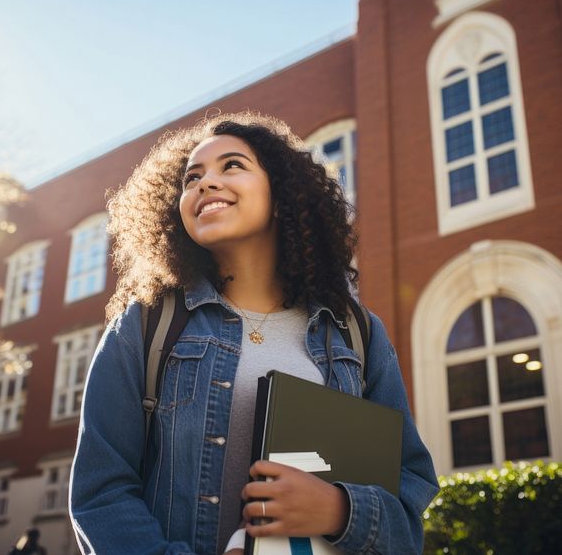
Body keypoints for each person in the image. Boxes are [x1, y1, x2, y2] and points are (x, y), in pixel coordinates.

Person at [68, 112, 439, 554]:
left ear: (281, 195)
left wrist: (340, 511)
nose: (204, 184)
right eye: (192, 177)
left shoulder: (357, 335)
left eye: (232, 166)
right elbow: (100, 495)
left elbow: (409, 501)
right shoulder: (145, 326)